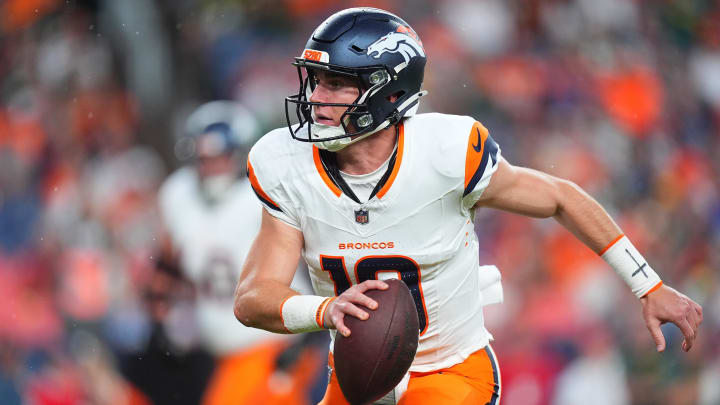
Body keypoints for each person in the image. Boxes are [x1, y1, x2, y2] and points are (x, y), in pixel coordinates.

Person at [233, 8, 703, 405]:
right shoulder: (287, 166)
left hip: (452, 372)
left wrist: (648, 285)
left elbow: (561, 197)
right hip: (358, 380)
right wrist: (325, 310)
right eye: (315, 82)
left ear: (388, 92)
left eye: (336, 85)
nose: (315, 99)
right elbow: (253, 300)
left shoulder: (446, 152)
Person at [156, 101, 326, 405]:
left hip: (274, 345)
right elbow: (170, 266)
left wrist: (311, 336)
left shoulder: (261, 197)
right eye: (204, 159)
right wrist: (170, 308)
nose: (211, 168)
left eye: (220, 157)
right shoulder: (179, 195)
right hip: (223, 355)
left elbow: (315, 261)